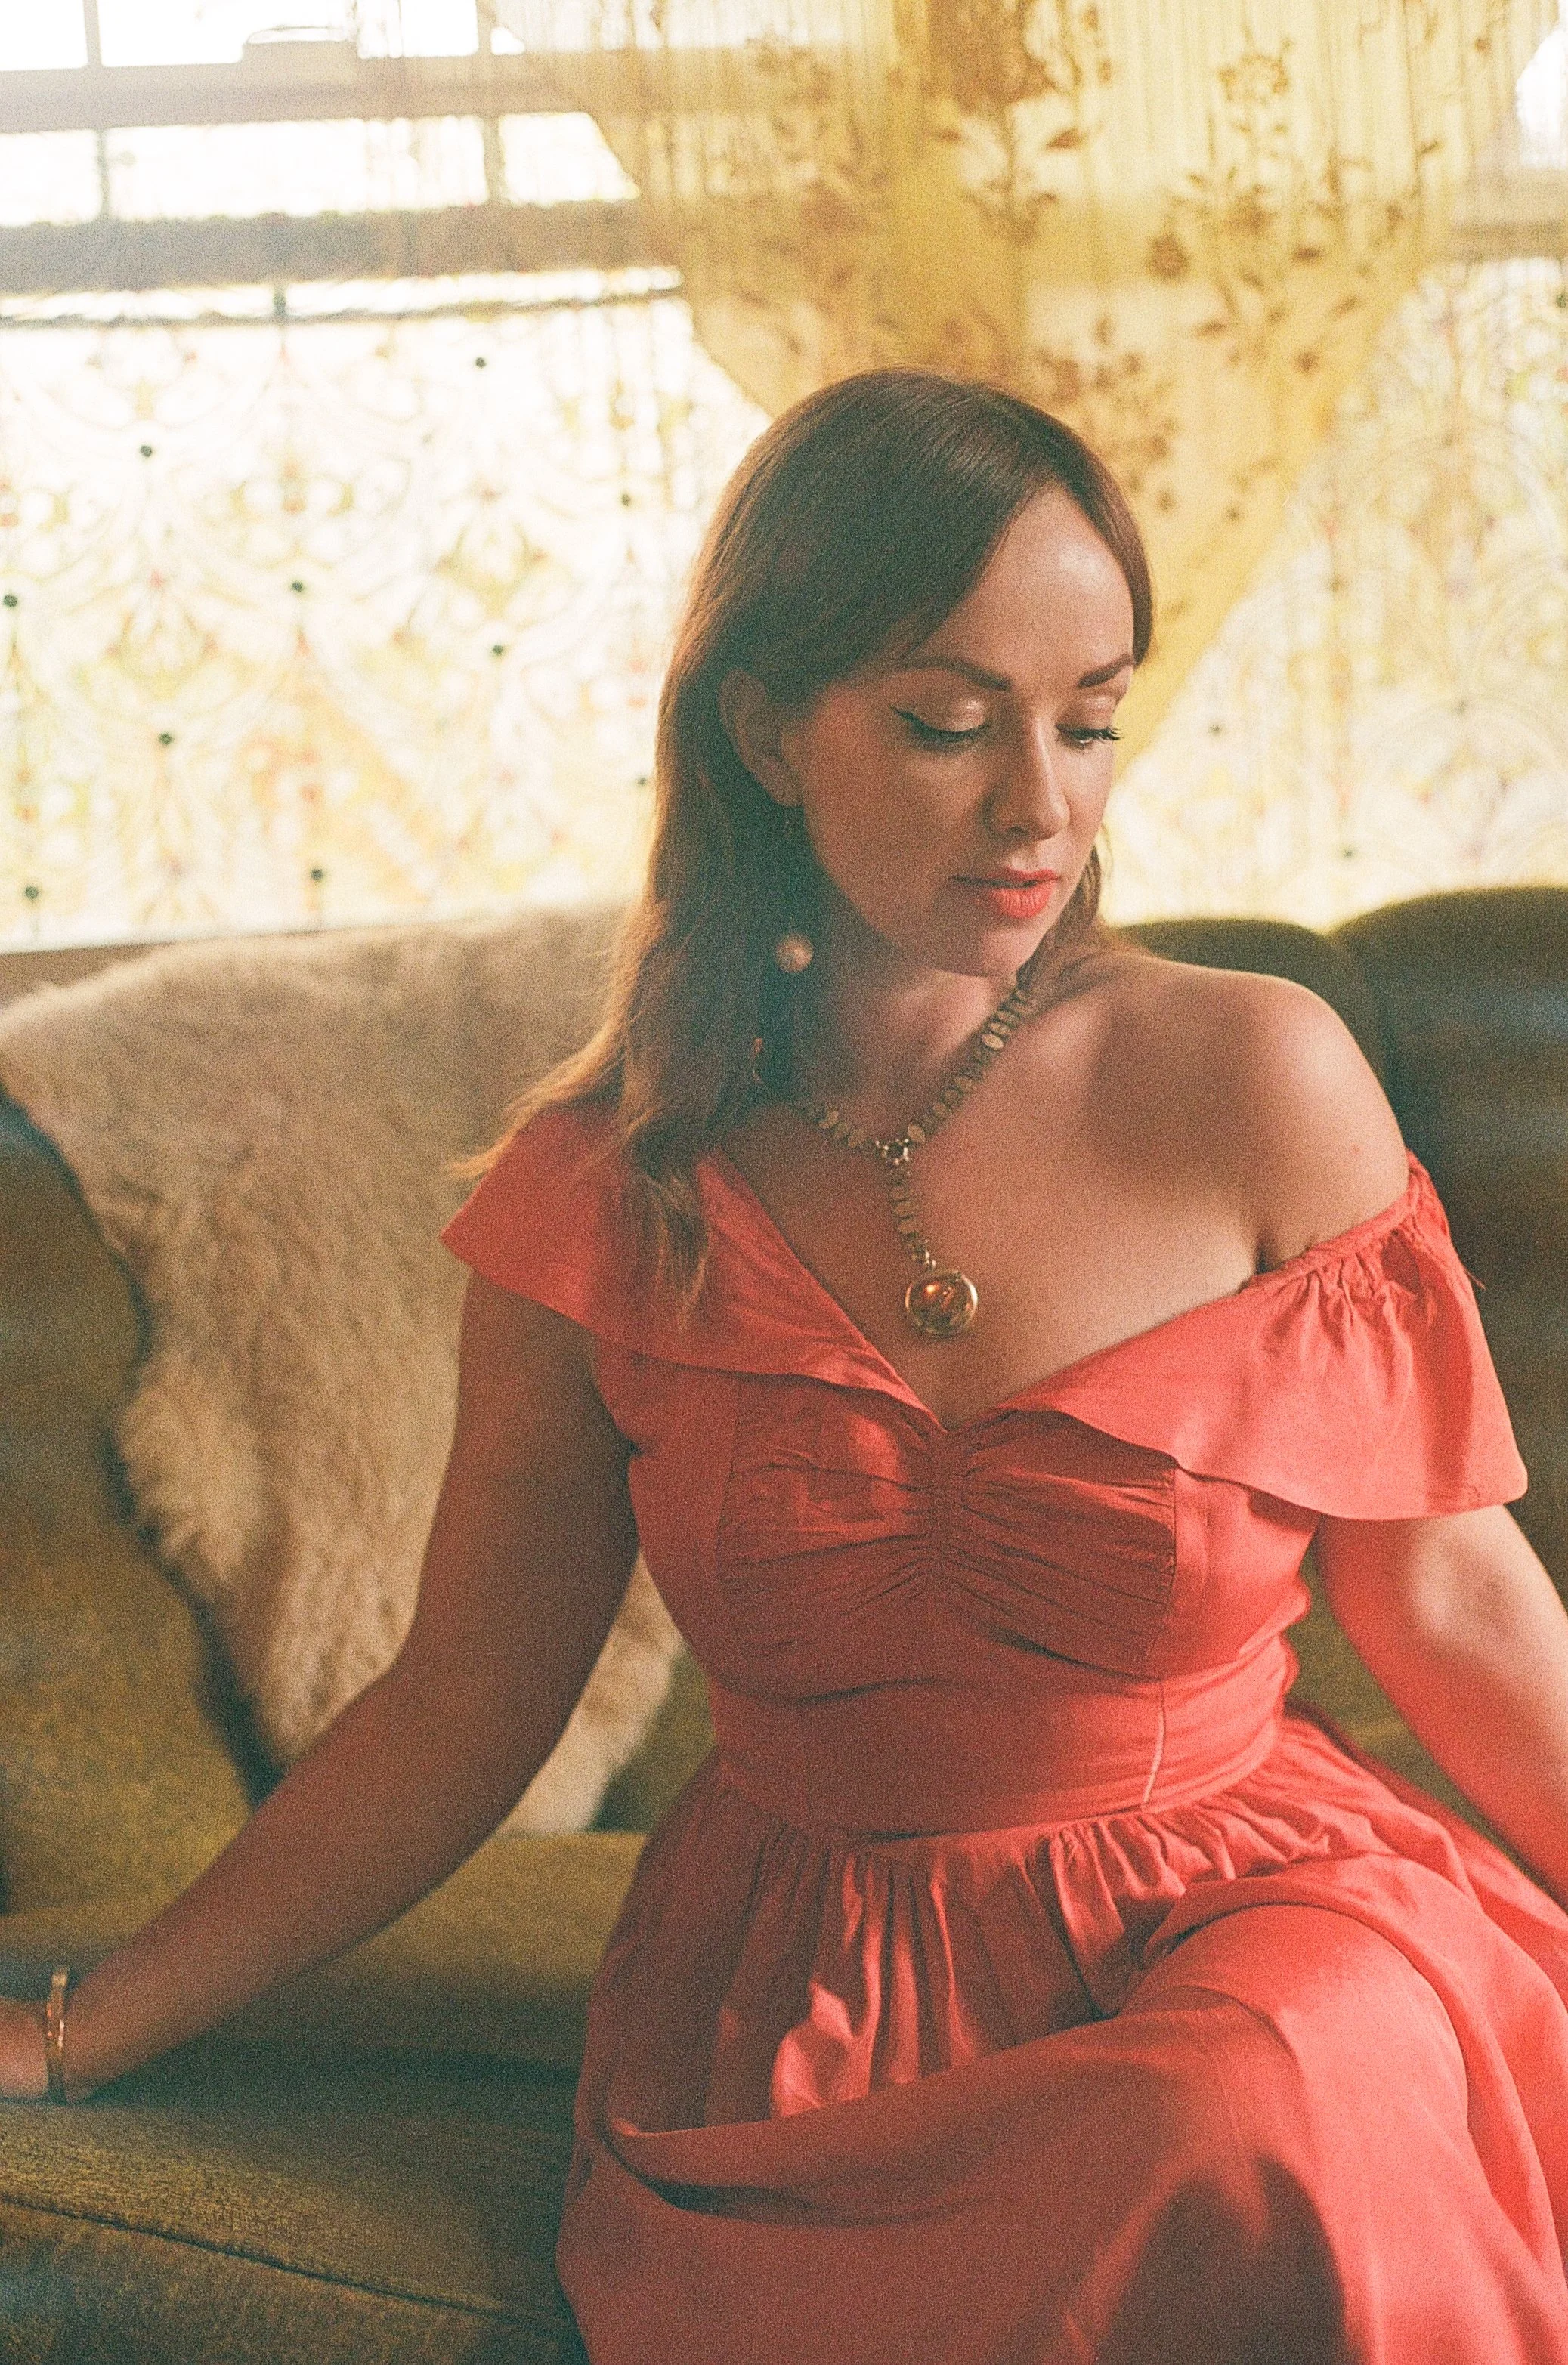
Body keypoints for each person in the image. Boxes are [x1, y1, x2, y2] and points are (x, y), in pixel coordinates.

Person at [5, 369, 1568, 2363]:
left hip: (1258, 1927)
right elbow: (467, 1699)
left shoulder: (1254, 1076)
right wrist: (91, 2024)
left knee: (1235, 2107)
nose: (1042, 803)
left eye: (1089, 718)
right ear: (768, 732)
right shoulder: (609, 1188)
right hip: (828, 1997)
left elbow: (1455, 1603)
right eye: (947, 721)